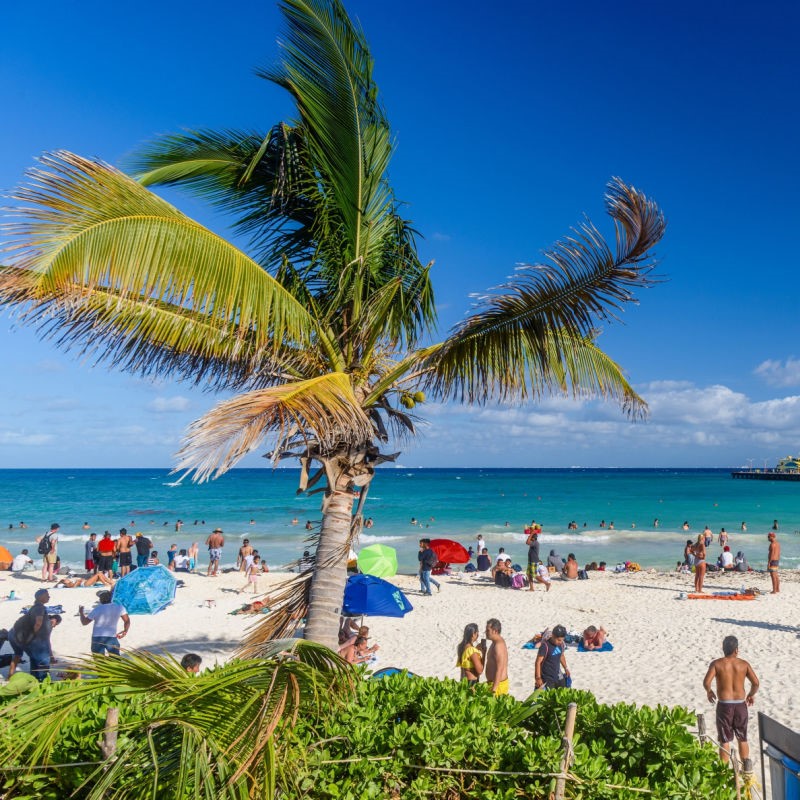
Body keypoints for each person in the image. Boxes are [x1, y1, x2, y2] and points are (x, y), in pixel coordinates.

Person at [703, 635, 759, 763]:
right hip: (740, 705)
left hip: (724, 705)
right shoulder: (744, 664)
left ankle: (724, 771)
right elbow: (756, 683)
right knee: (742, 737)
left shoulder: (717, 664)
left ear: (723, 648)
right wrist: (751, 694)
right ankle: (746, 770)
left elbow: (706, 682)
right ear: (737, 650)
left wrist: (709, 692)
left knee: (724, 740)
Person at [8, 588, 54, 680]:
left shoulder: (35, 607)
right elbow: (38, 623)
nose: (49, 596)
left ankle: (10, 676)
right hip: (25, 638)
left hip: (15, 635)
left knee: (24, 656)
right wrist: (33, 636)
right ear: (40, 597)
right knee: (41, 661)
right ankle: (41, 681)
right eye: (47, 595)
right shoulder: (40, 607)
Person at [79, 591, 130, 656]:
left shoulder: (97, 609)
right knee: (115, 660)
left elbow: (84, 622)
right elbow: (127, 621)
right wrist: (125, 630)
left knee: (99, 661)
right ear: (111, 598)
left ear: (100, 599)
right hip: (111, 637)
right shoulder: (119, 607)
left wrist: (81, 613)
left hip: (97, 637)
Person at [535, 624, 570, 689]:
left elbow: (561, 656)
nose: (561, 642)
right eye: (559, 640)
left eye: (562, 640)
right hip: (547, 678)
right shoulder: (545, 646)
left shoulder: (561, 644)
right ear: (553, 636)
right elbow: (538, 662)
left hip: (558, 676)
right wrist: (538, 678)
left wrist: (566, 668)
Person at [484, 618, 508, 695]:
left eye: (488, 630)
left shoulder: (498, 645)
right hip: (493, 683)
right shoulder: (494, 642)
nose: (485, 632)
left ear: (495, 631)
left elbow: (499, 669)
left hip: (498, 685)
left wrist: (494, 690)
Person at [525, 524, 540, 592]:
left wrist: (531, 534)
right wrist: (531, 533)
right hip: (530, 560)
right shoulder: (533, 543)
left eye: (531, 537)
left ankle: (547, 583)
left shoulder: (535, 543)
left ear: (533, 538)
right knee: (528, 574)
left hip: (534, 561)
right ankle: (531, 588)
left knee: (534, 575)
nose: (529, 537)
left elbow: (527, 542)